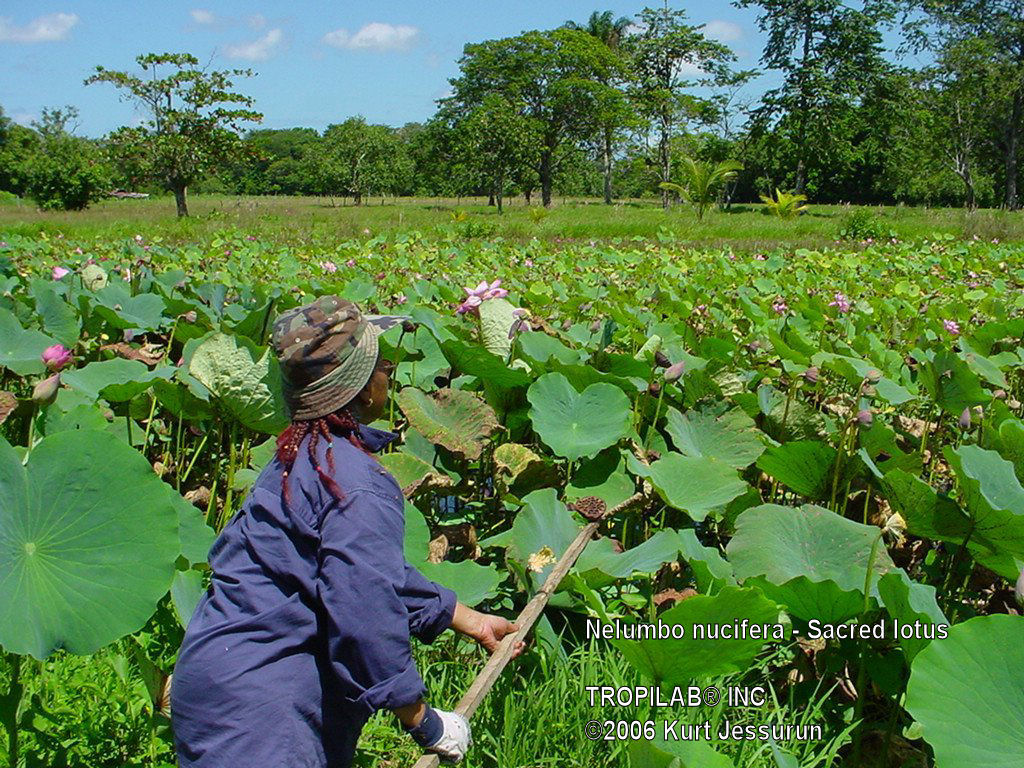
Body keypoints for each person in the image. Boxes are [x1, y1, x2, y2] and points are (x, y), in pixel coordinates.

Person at [170, 296, 524, 767]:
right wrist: (424, 721)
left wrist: (465, 618)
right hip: (265, 715)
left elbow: (353, 570)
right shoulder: (357, 484)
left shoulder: (294, 457)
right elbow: (364, 611)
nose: (392, 365)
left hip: (212, 682)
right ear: (358, 390)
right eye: (380, 360)